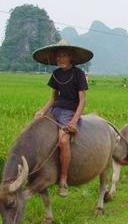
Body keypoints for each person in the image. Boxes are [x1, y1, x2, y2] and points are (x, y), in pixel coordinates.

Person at [32, 40, 93, 197]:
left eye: (64, 55)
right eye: (58, 56)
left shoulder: (78, 74)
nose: (60, 58)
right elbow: (53, 98)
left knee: (63, 141)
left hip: (69, 112)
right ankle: (38, 173)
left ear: (70, 57)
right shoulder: (56, 74)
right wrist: (42, 111)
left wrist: (73, 121)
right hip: (55, 110)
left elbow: (82, 100)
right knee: (35, 132)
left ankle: (63, 180)